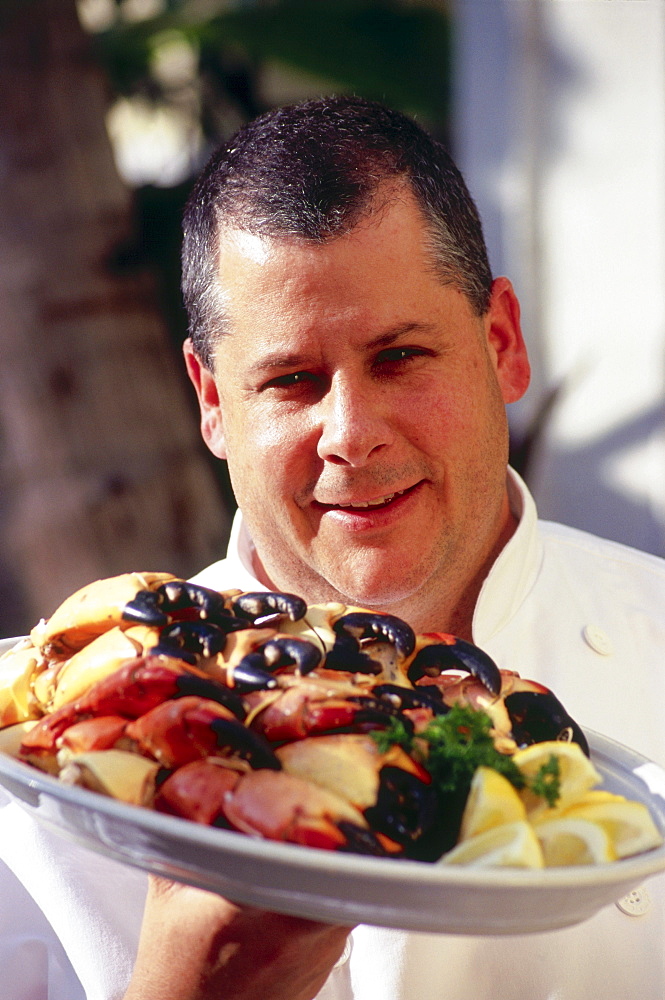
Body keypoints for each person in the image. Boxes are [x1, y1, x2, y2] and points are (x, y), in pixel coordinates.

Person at [1, 95, 664, 1000]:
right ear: (210, 400)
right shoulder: (41, 777)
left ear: (501, 344)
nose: (350, 434)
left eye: (400, 357)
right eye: (291, 380)